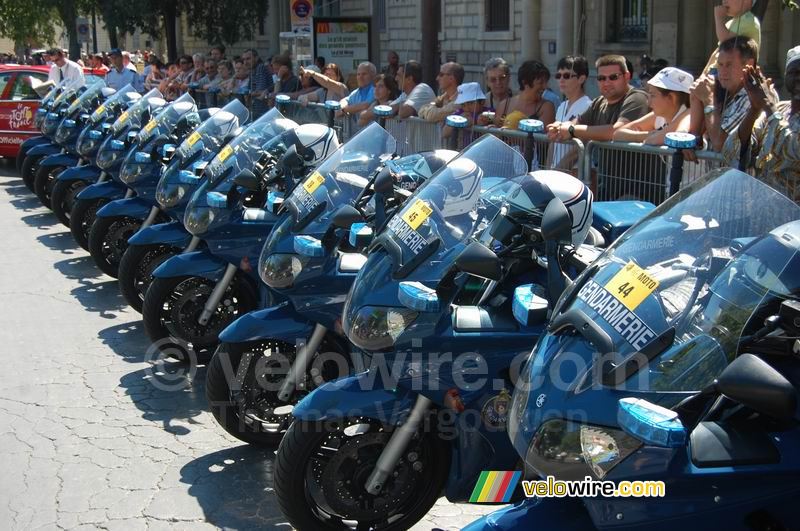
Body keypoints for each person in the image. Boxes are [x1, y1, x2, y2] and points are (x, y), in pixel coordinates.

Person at [723, 47, 800, 203]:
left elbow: (793, 151)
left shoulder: (772, 110)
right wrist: (755, 108)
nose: (799, 78)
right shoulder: (779, 110)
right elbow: (730, 150)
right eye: (794, 72)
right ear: (786, 75)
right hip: (763, 211)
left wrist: (769, 107)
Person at [547, 54, 649, 142]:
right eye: (601, 78)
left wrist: (571, 130)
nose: (607, 83)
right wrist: (558, 127)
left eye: (613, 77)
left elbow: (618, 131)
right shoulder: (598, 103)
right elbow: (575, 123)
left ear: (627, 77)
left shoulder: (637, 97)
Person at [688, 36, 757, 155]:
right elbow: (698, 136)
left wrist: (709, 102)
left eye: (729, 65)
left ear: (748, 64)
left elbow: (720, 145)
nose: (723, 72)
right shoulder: (721, 92)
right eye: (720, 64)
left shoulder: (752, 96)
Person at [613, 67, 693, 145]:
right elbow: (617, 134)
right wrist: (647, 135)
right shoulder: (659, 117)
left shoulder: (689, 115)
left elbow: (657, 140)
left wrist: (650, 137)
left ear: (672, 97)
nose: (648, 102)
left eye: (653, 95)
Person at [550, 55, 592, 168]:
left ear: (581, 79)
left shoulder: (588, 105)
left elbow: (580, 146)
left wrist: (559, 168)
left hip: (575, 172)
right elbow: (552, 142)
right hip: (556, 171)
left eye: (567, 75)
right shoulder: (561, 106)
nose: (561, 79)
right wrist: (548, 168)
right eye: (558, 75)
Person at [504, 60, 556, 129]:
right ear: (525, 82)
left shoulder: (546, 107)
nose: (545, 87)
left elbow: (544, 135)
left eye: (546, 82)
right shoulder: (504, 106)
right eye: (540, 83)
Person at [478, 57, 513, 127]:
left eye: (502, 78)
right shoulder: (481, 102)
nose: (498, 82)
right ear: (487, 82)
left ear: (508, 78)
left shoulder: (519, 101)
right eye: (493, 79)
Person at [243, 48, 274, 117]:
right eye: (244, 59)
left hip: (264, 112)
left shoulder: (261, 68)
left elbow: (260, 90)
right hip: (257, 111)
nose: (245, 62)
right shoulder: (252, 71)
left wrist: (248, 93)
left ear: (256, 58)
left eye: (248, 59)